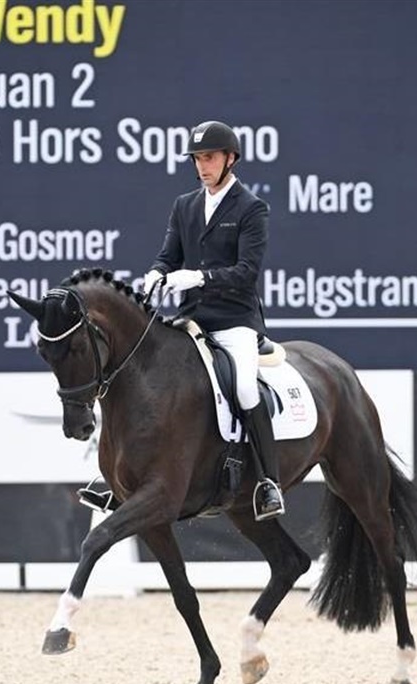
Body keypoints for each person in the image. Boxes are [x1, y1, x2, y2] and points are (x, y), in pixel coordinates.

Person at [142, 119, 284, 520]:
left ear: (230, 159)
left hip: (234, 319)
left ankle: (269, 483)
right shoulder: (184, 205)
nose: (202, 166)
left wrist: (200, 277)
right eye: (198, 159)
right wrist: (156, 272)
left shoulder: (251, 208)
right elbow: (169, 255)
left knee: (244, 387)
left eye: (209, 157)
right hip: (192, 319)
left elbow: (246, 272)